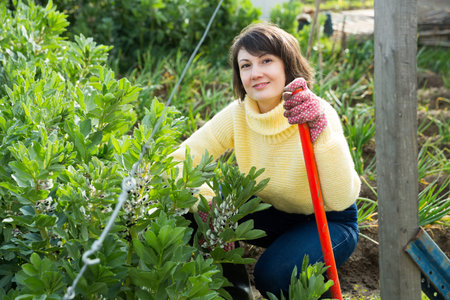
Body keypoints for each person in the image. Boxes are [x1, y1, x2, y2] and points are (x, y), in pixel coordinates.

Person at [171, 22, 360, 299]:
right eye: (245, 65)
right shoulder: (239, 114)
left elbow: (341, 198)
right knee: (192, 214)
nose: (255, 73)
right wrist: (207, 202)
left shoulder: (314, 114)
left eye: (266, 61)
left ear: (288, 65)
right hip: (273, 211)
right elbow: (178, 160)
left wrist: (321, 134)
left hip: (327, 220)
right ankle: (235, 293)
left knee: (273, 275)